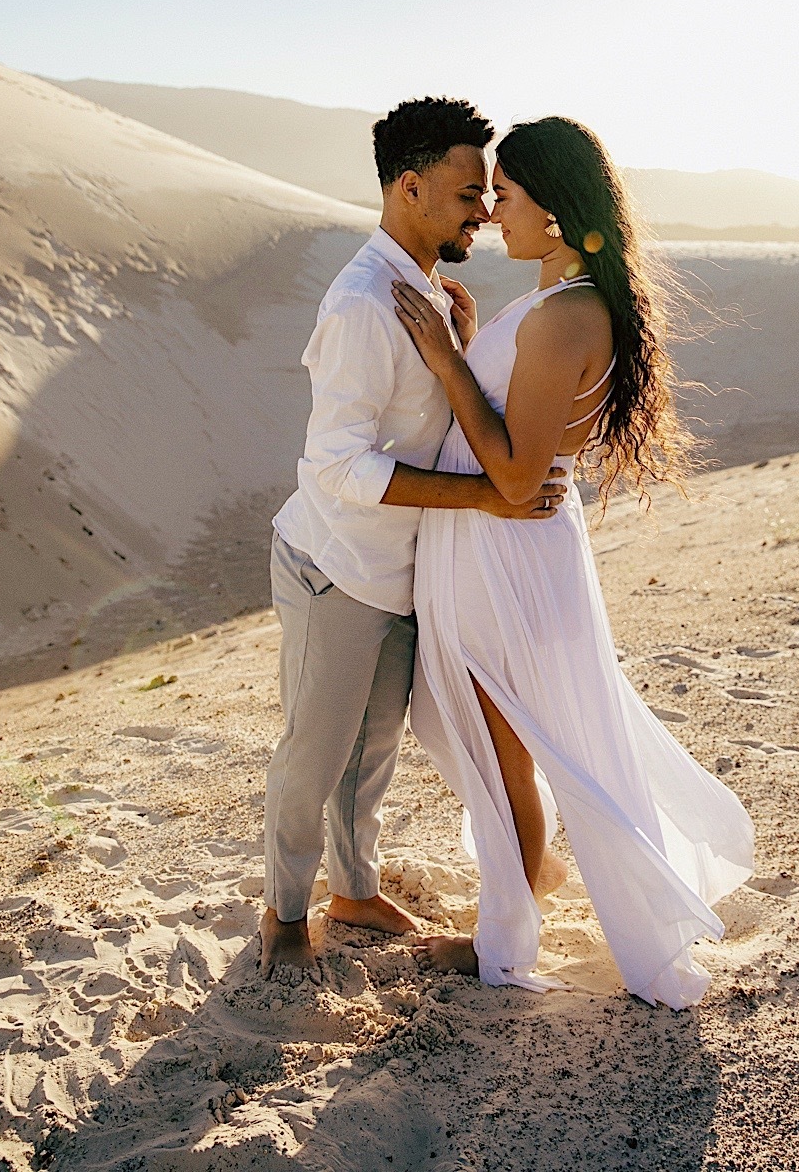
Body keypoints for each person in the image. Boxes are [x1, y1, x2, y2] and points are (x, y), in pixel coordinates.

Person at [391, 116, 755, 1009]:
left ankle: (504, 935)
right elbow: (517, 420)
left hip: (502, 548)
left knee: (502, 741)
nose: (490, 215)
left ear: (551, 211)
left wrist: (443, 360)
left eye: (504, 197)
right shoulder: (554, 305)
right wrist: (474, 340)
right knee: (496, 734)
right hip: (501, 548)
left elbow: (515, 476)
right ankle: (524, 885)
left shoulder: (564, 315)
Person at [260, 97, 567, 978]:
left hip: (399, 568)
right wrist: (485, 498)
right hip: (337, 566)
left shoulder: (426, 287)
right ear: (409, 187)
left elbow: (423, 421)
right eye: (470, 190)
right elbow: (338, 468)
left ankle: (353, 893)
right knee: (314, 754)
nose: (483, 207)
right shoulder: (363, 302)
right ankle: (283, 913)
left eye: (486, 192)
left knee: (374, 751)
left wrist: (460, 353)